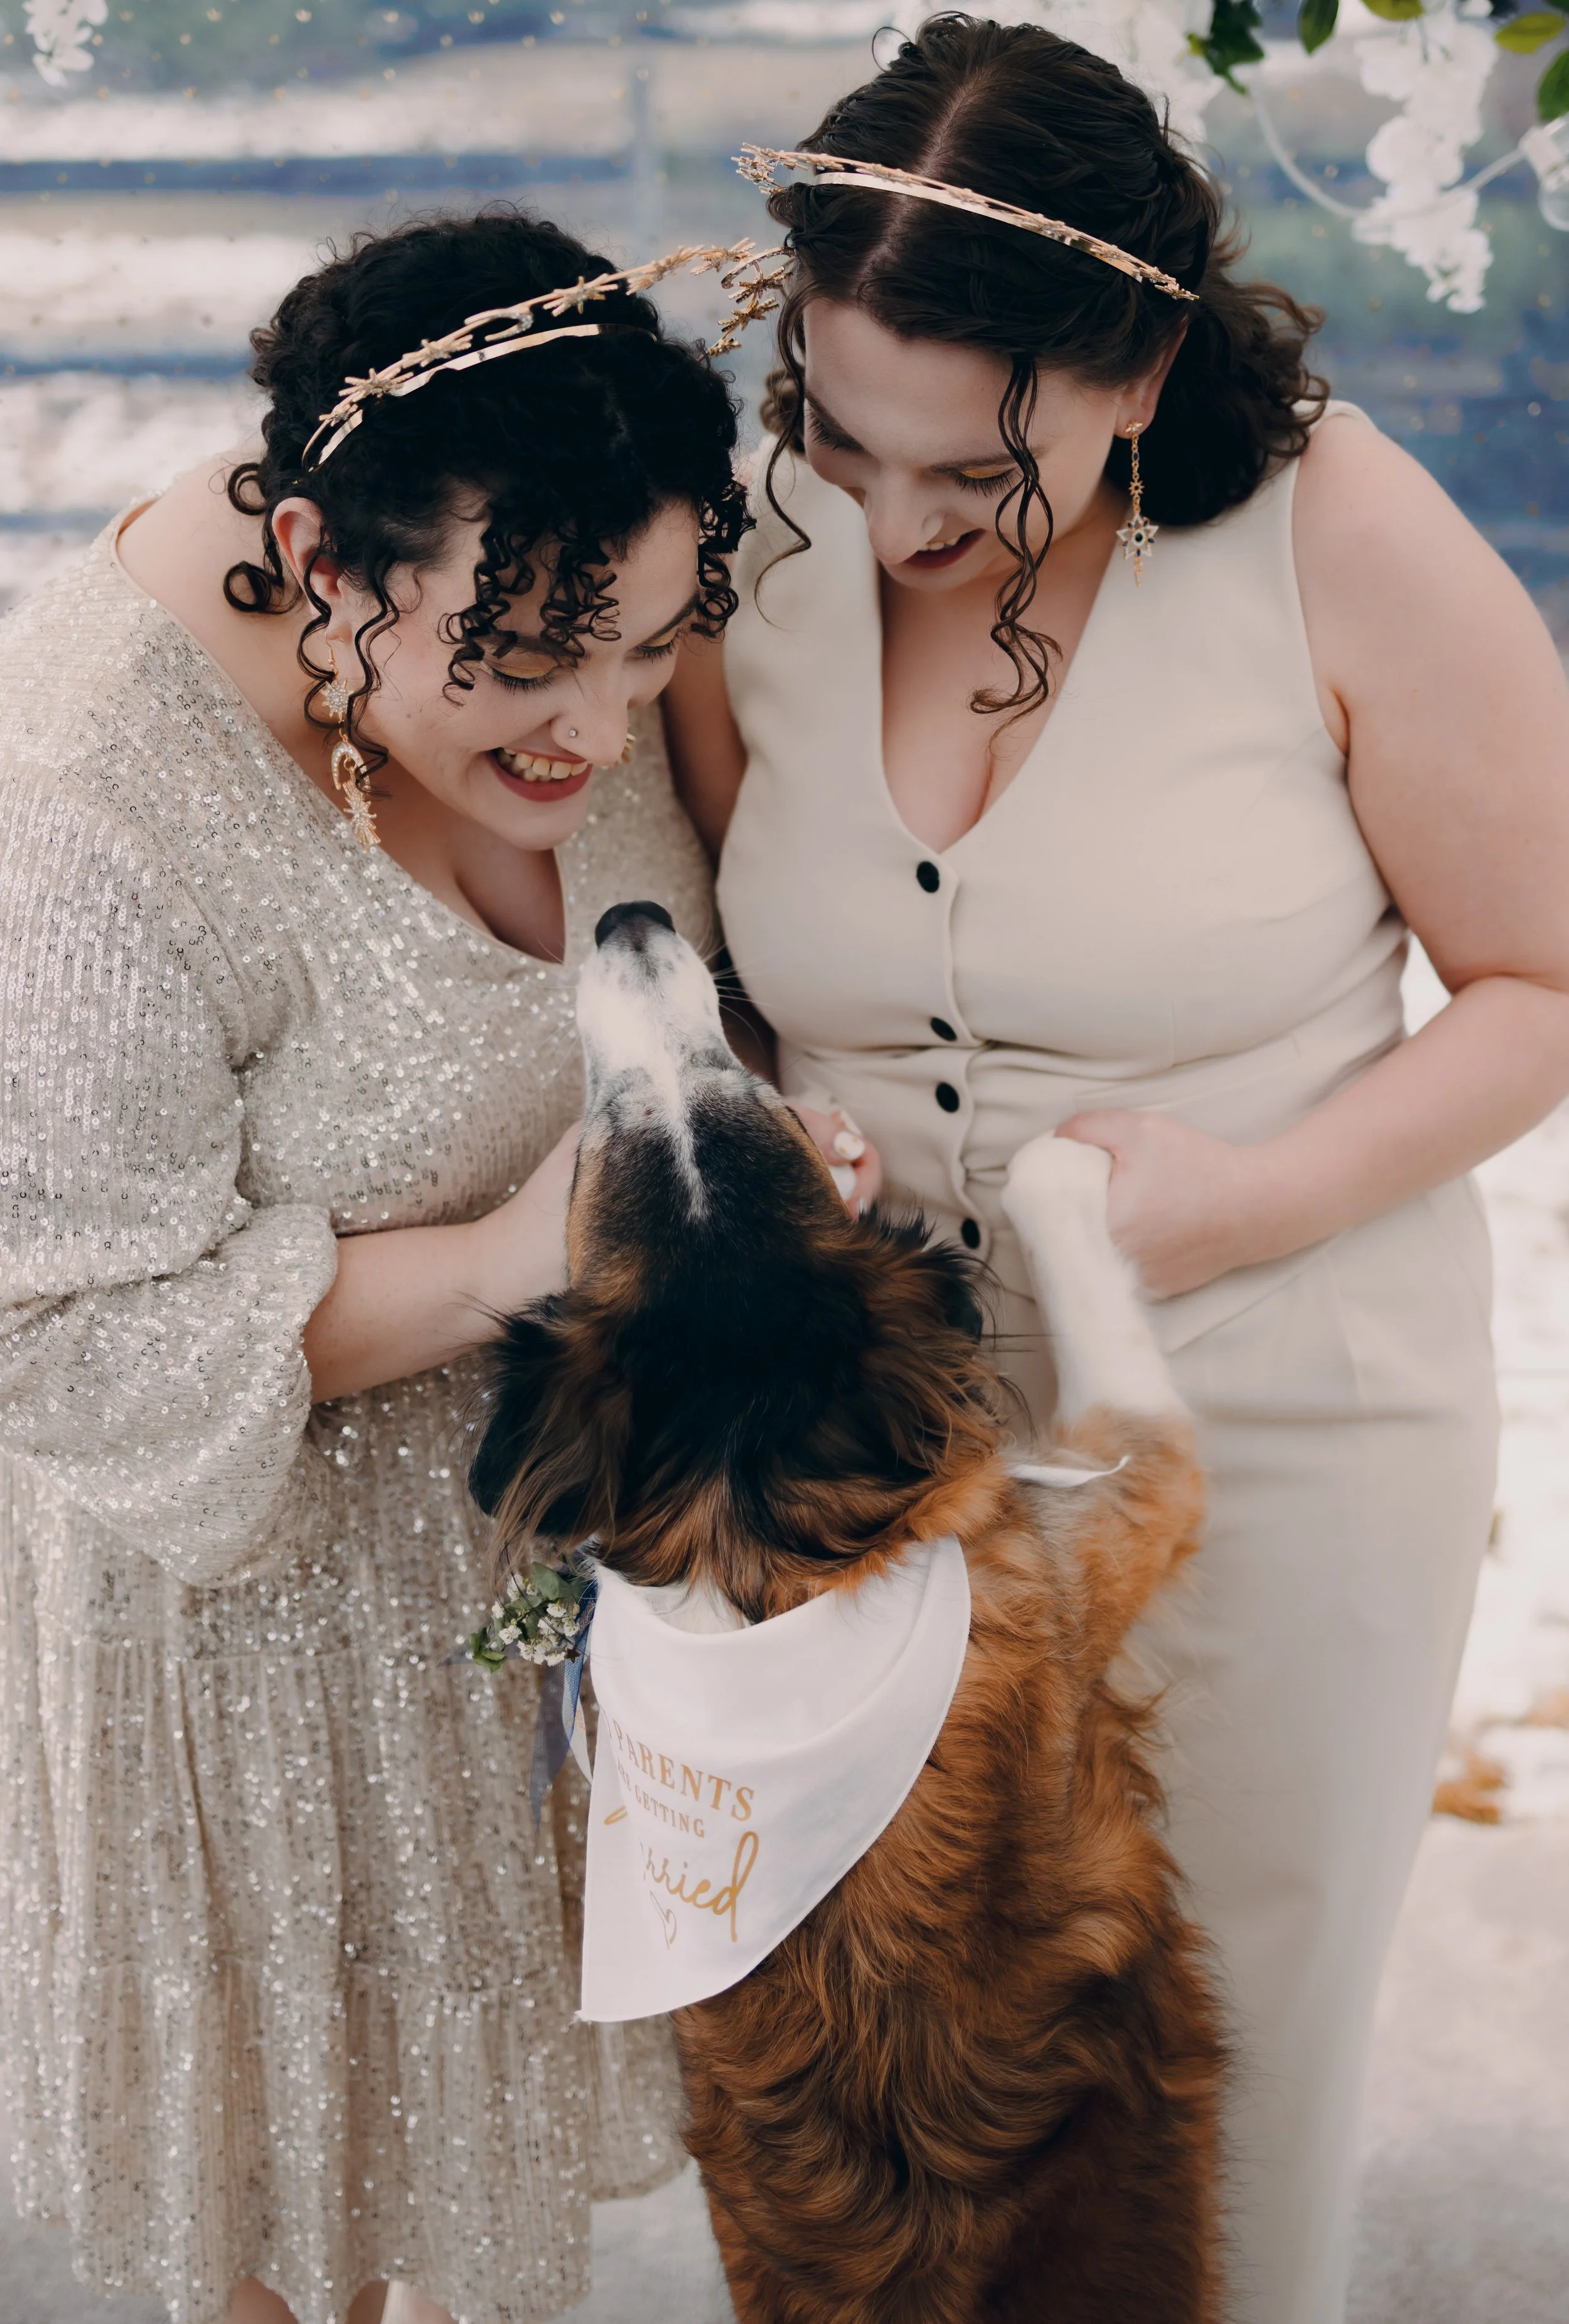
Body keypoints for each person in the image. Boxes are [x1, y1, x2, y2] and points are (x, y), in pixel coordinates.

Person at [663, 17, 1569, 2323]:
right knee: (884, 2129)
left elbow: (1543, 983)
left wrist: (1238, 1202)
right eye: (840, 439)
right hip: (883, 1471)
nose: (889, 525)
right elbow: (716, 966)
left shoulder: (1338, 536)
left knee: (1218, 2127)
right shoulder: (753, 546)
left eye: (969, 470)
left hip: (1284, 1414)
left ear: (1140, 356)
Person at [0, 210, 754, 2324]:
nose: (601, 731)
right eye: (525, 670)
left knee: (489, 2252)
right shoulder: (85, 786)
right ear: (331, 565)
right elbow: (67, 1328)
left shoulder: (593, 584)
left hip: (536, 1590)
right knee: (299, 2249)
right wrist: (528, 1250)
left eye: (647, 650)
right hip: (258, 1655)